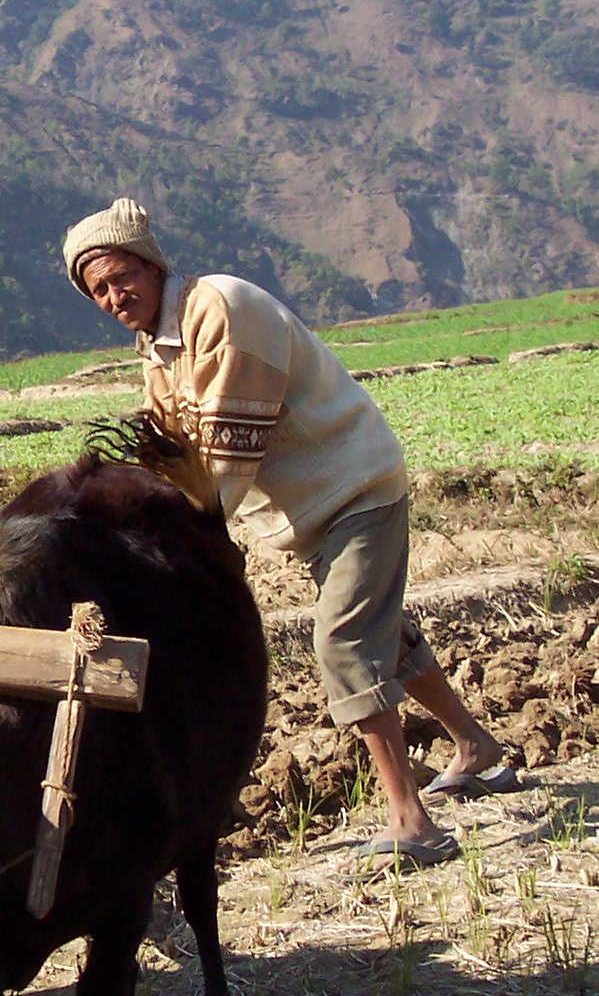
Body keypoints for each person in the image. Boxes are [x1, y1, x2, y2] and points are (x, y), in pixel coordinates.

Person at [60, 197, 517, 865]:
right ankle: (475, 747)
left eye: (121, 275)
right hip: (310, 510)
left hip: (353, 487)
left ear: (153, 266)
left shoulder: (220, 309)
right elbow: (171, 451)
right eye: (97, 288)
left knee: (344, 643)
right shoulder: (157, 350)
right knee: (384, 636)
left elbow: (220, 459)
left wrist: (180, 540)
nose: (111, 294)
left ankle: (411, 822)